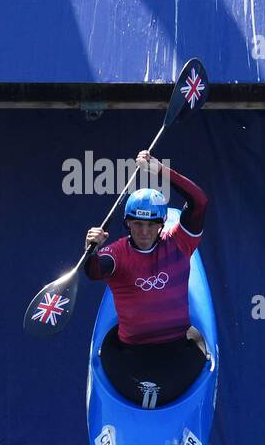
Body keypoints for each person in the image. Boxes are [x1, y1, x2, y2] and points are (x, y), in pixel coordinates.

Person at [84, 151, 210, 408]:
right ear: (127, 223)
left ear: (162, 224)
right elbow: (95, 271)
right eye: (137, 223)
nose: (144, 231)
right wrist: (91, 251)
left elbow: (199, 201)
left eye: (151, 224)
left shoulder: (179, 243)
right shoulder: (118, 252)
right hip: (131, 354)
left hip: (177, 349)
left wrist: (160, 170)